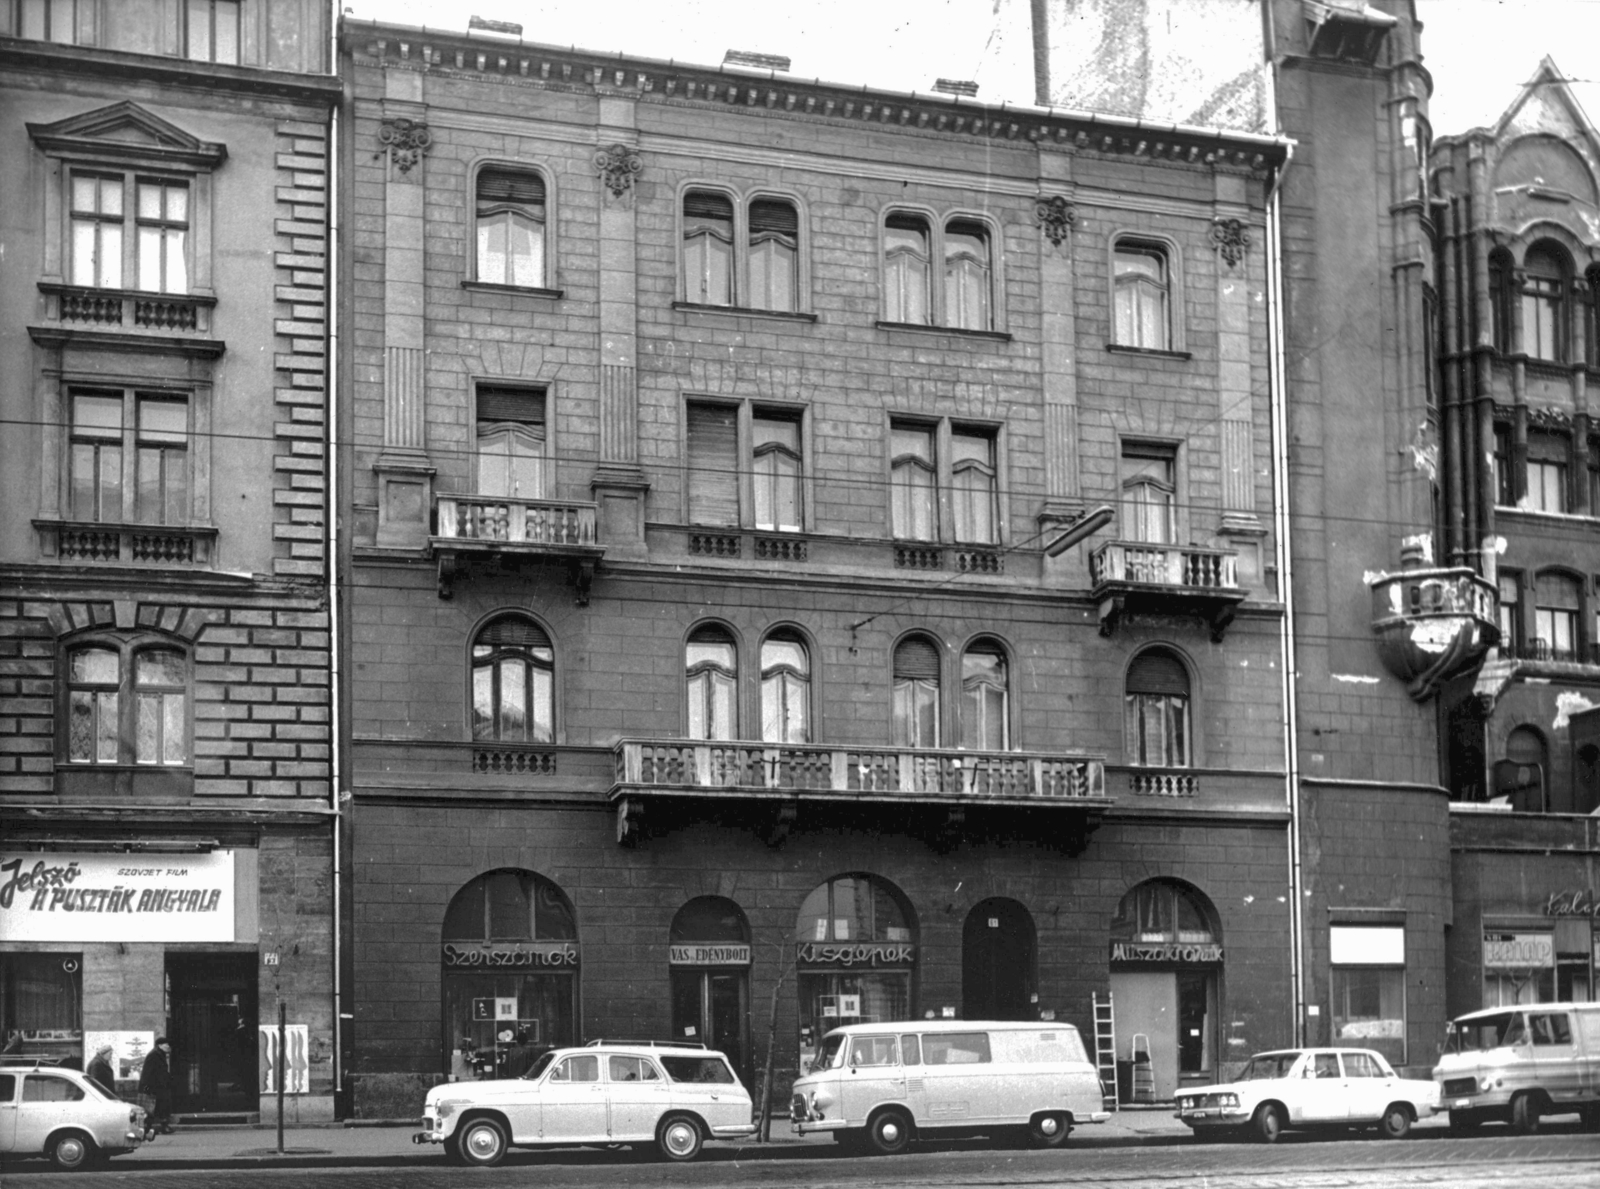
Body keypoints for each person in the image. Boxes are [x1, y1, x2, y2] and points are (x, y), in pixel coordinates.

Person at [138, 1036, 175, 1133]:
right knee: (151, 1108)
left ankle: (161, 1127)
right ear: (160, 1045)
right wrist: (147, 1089)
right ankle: (150, 1128)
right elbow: (148, 1073)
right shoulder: (154, 1055)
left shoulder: (159, 1054)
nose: (168, 1046)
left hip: (160, 1086)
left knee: (160, 1107)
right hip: (154, 1087)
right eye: (166, 1044)